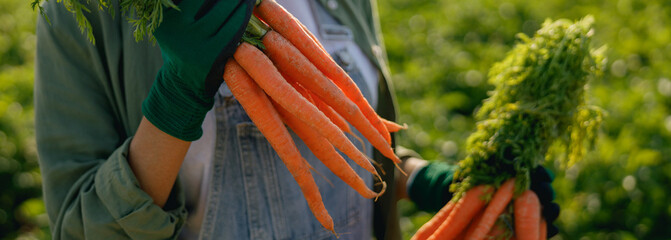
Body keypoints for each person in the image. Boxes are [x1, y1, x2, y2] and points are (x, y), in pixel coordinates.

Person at [34, 0, 558, 239]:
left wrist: (423, 180)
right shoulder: (87, 11)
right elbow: (82, 228)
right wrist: (176, 97)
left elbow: (346, 138)